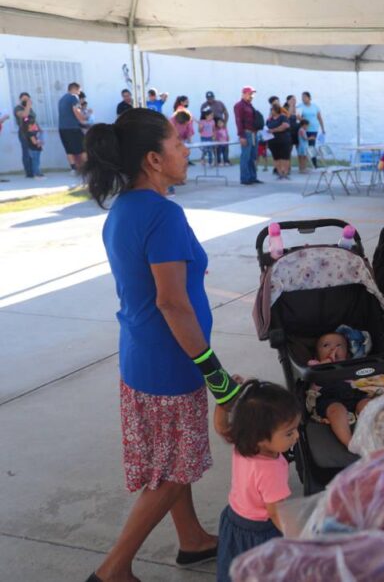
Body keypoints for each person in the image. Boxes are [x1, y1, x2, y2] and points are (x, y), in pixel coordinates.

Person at [81, 108, 244, 582]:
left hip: (140, 358)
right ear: (154, 159)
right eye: (177, 144)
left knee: (173, 457)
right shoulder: (163, 216)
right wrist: (216, 375)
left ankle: (191, 539)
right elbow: (173, 304)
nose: (185, 150)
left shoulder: (124, 211)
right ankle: (113, 568)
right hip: (172, 364)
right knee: (175, 470)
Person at [214, 380, 300, 582]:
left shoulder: (243, 443)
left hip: (233, 520)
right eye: (289, 432)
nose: (296, 436)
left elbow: (221, 426)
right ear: (260, 436)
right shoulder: (272, 470)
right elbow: (276, 511)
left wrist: (223, 402)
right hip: (260, 533)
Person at [306, 327, 379, 448]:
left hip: (353, 394)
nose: (333, 349)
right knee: (337, 411)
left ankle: (375, 435)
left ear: (347, 353)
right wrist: (328, 360)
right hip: (328, 397)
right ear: (316, 355)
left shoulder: (350, 364)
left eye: (339, 345)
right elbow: (315, 374)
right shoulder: (315, 364)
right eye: (326, 345)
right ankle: (349, 442)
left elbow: (363, 380)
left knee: (368, 405)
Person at [58, 81, 89, 171]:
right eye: (79, 91)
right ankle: (88, 168)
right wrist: (84, 119)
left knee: (69, 149)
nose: (79, 94)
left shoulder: (62, 99)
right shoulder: (73, 97)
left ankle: (73, 169)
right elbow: (76, 111)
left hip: (62, 128)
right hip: (73, 128)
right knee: (83, 147)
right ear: (74, 89)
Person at [234, 86, 262, 185]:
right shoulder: (239, 105)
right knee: (245, 156)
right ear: (244, 94)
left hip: (254, 133)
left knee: (253, 156)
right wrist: (241, 136)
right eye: (250, 94)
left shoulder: (250, 105)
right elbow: (238, 121)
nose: (252, 96)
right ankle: (245, 178)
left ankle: (252, 177)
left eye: (252, 94)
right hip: (246, 133)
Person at [15, 93, 43, 179]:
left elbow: (33, 119)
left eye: (27, 99)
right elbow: (24, 115)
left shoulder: (30, 108)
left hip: (33, 132)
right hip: (24, 133)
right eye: (24, 99)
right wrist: (27, 106)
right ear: (20, 100)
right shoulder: (18, 108)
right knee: (27, 152)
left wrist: (39, 128)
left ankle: (35, 171)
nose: (26, 101)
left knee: (35, 151)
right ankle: (29, 172)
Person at [265, 100, 293, 179]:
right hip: (273, 142)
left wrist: (273, 130)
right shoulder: (269, 120)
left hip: (284, 140)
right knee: (276, 157)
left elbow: (285, 126)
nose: (271, 111)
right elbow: (266, 129)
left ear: (276, 110)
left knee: (285, 157)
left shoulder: (282, 117)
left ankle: (285, 173)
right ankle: (280, 173)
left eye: (272, 110)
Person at [297, 92, 324, 167]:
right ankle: (303, 165)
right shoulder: (300, 106)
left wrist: (322, 128)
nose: (303, 98)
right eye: (302, 97)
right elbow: (298, 117)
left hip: (313, 129)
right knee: (304, 146)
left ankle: (314, 163)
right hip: (304, 130)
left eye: (305, 97)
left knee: (312, 146)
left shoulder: (315, 106)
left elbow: (319, 117)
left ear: (309, 98)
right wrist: (305, 122)